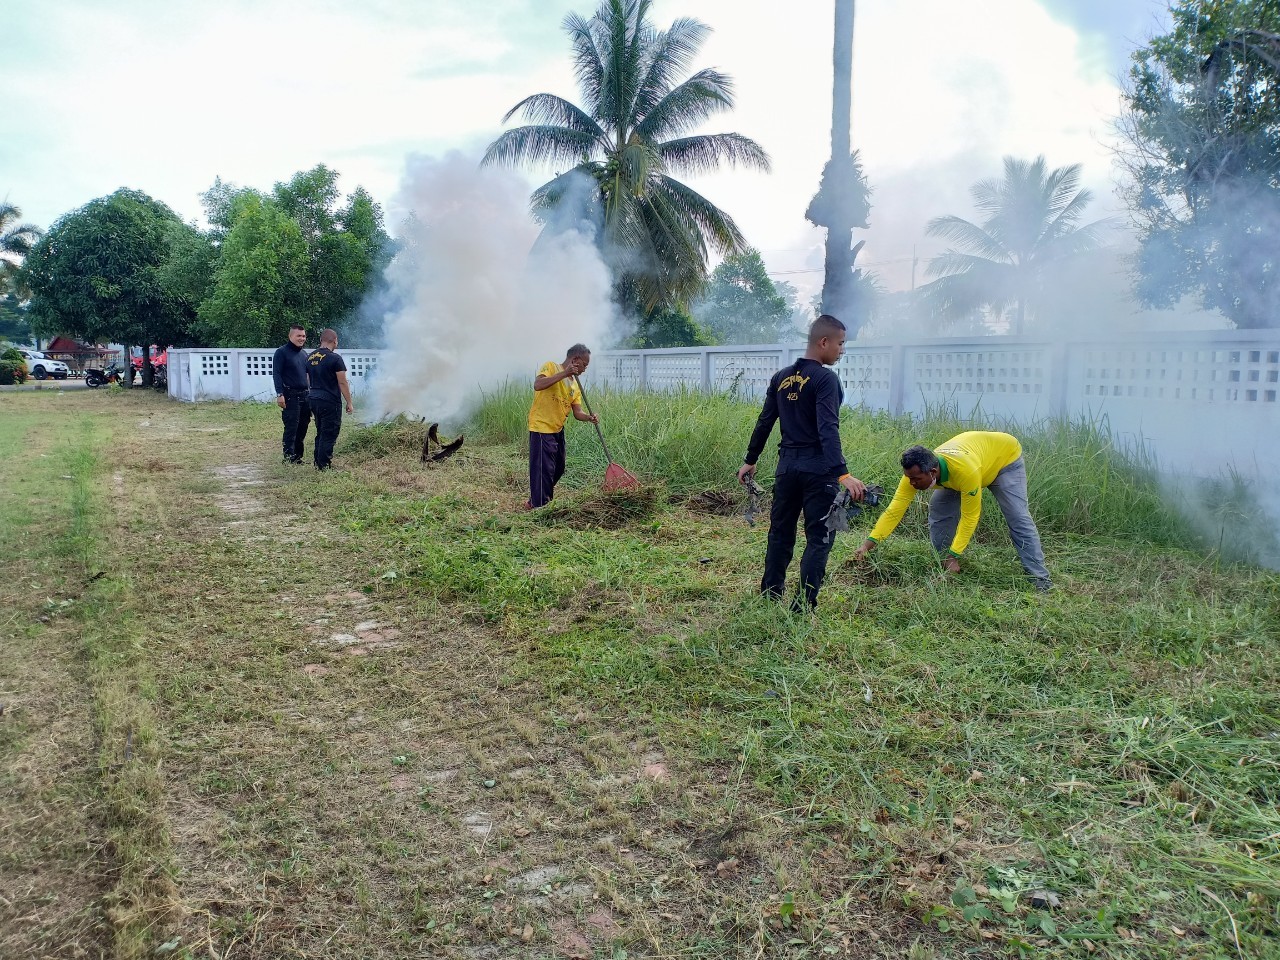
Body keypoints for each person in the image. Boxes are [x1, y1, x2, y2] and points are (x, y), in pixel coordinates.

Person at [738, 315, 867, 611]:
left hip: (786, 469)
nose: (842, 350)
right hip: (817, 470)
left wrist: (750, 460)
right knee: (819, 536)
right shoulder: (826, 379)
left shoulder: (780, 377)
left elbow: (765, 421)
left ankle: (771, 595)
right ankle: (803, 606)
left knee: (780, 532)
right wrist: (842, 474)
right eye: (840, 343)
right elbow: (827, 429)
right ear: (824, 342)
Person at [853, 432, 1052, 591]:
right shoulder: (915, 474)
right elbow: (894, 510)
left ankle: (1040, 580)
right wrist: (867, 545)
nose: (911, 483)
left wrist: (954, 554)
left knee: (1018, 518)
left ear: (932, 473)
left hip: (1004, 459)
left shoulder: (965, 472)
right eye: (909, 478)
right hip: (972, 459)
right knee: (939, 512)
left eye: (915, 479)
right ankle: (943, 566)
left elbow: (970, 516)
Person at [527, 343, 598, 508]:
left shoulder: (575, 386)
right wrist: (564, 373)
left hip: (557, 429)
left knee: (558, 467)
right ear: (575, 359)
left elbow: (577, 412)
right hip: (541, 426)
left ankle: (539, 497)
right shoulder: (551, 366)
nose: (585, 369)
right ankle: (539, 505)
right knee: (543, 469)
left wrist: (589, 417)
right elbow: (538, 385)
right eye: (584, 365)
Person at [306, 328, 354, 471]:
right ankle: (324, 466)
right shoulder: (335, 358)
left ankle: (318, 461)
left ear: (321, 340)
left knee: (321, 431)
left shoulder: (310, 357)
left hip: (313, 398)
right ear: (335, 341)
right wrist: (349, 402)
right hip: (329, 401)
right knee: (330, 432)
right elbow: (342, 382)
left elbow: (308, 379)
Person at [272, 325, 311, 464]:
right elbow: (276, 373)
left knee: (303, 426)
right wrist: (279, 393)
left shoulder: (304, 354)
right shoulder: (281, 352)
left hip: (305, 396)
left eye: (303, 336)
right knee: (291, 427)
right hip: (290, 395)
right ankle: (288, 458)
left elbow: (307, 375)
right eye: (298, 336)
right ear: (290, 336)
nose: (302, 338)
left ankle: (297, 457)